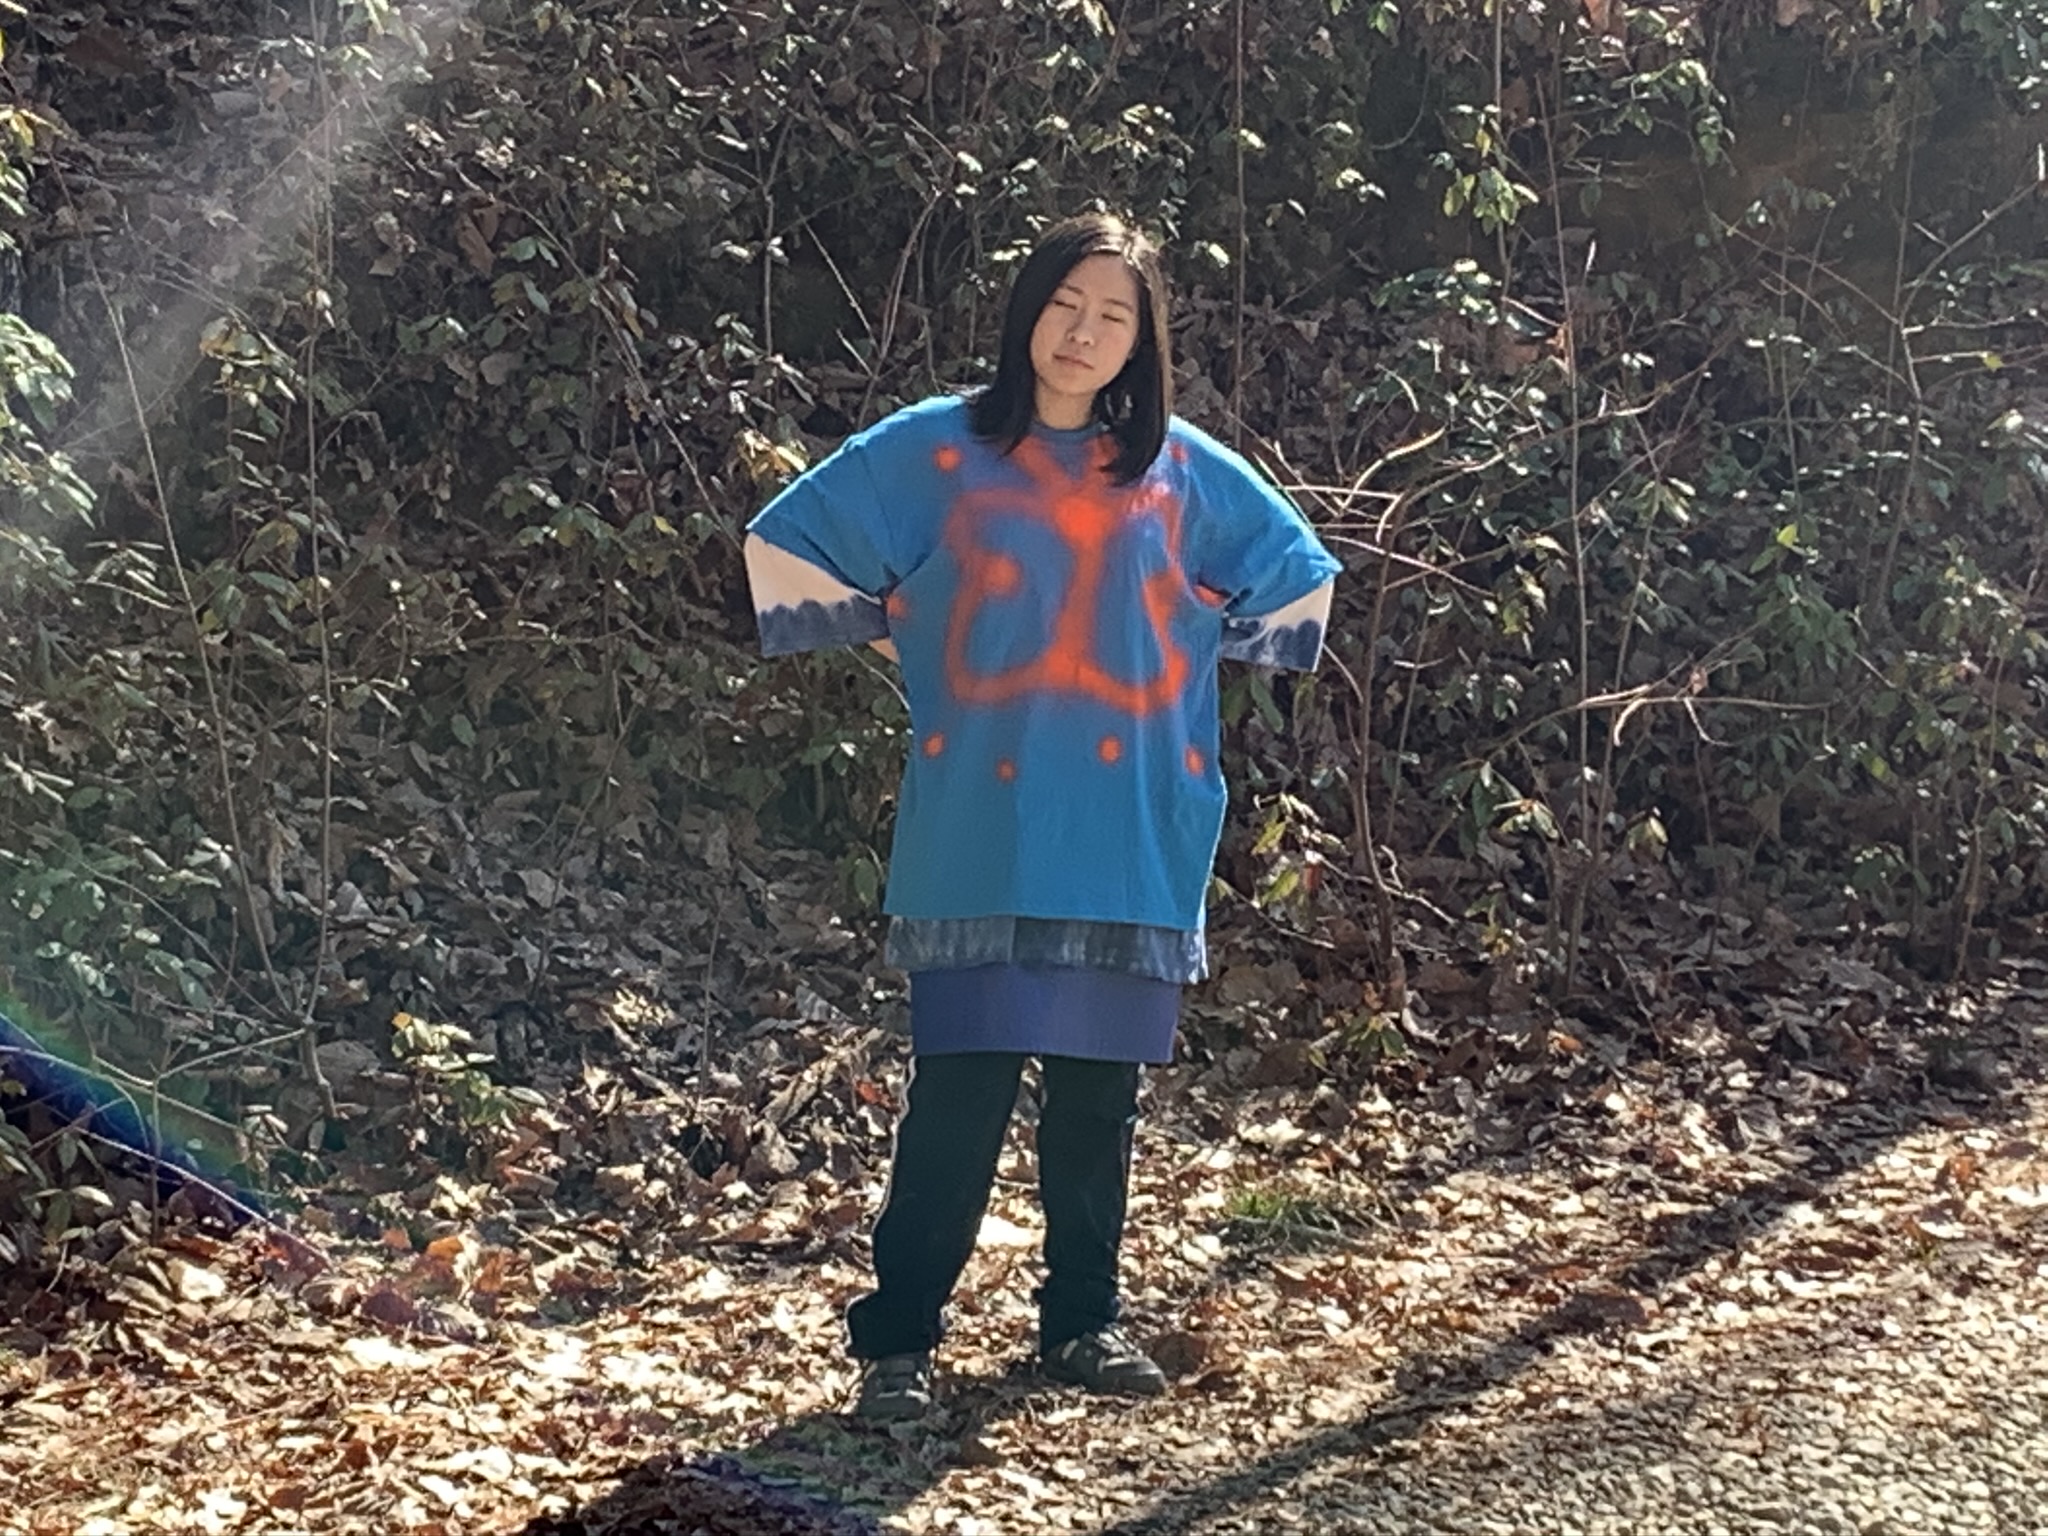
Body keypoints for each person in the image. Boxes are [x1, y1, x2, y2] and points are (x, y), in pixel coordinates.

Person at [743, 211, 1339, 1421]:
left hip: (1131, 823)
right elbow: (789, 552)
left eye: (1113, 314)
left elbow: (1298, 583)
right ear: (1028, 312)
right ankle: (897, 1341)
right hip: (978, 824)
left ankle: (1081, 1324)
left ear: (1140, 341)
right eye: (1067, 303)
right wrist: (924, 636)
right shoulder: (933, 450)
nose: (1084, 332)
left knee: (1095, 1101)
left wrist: (1173, 645)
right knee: (957, 1091)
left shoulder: (1179, 473)